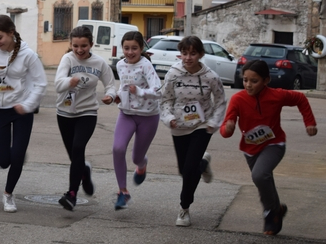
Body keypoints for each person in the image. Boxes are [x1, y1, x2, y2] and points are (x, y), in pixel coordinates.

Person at [221, 60, 318, 235]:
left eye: (254, 81)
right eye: (245, 80)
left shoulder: (276, 96)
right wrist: (227, 128)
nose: (248, 85)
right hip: (249, 149)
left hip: (274, 144)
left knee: (260, 175)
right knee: (263, 181)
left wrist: (309, 122)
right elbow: (227, 126)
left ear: (266, 81)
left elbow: (301, 98)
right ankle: (277, 209)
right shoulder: (238, 99)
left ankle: (269, 213)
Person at [0, 15, 46, 213]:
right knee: (4, 160)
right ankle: (15, 156)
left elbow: (40, 83)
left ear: (11, 33)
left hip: (21, 110)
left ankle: (8, 195)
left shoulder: (28, 55)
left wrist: (28, 104)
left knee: (18, 155)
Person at [160, 35, 227, 227]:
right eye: (184, 53)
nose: (188, 57)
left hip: (201, 125)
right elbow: (165, 99)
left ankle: (184, 209)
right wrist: (169, 118)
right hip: (178, 126)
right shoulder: (173, 74)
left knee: (189, 169)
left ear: (200, 54)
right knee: (184, 170)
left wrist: (213, 122)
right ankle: (203, 163)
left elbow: (220, 101)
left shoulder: (211, 77)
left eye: (193, 53)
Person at [55, 26, 117, 211]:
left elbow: (111, 85)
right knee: (75, 156)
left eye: (84, 46)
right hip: (65, 112)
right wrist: (69, 82)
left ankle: (71, 194)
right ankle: (84, 172)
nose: (79, 50)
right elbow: (58, 84)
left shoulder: (99, 63)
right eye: (75, 46)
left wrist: (110, 96)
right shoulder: (67, 59)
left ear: (91, 44)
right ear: (71, 44)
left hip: (87, 112)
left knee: (78, 147)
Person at [112, 31, 163, 210]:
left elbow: (158, 90)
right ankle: (123, 192)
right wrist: (117, 96)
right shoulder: (120, 65)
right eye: (126, 48)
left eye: (134, 48)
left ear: (141, 49)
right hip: (126, 113)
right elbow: (123, 86)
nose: (130, 52)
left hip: (148, 116)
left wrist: (139, 92)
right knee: (118, 149)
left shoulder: (146, 65)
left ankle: (142, 165)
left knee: (136, 157)